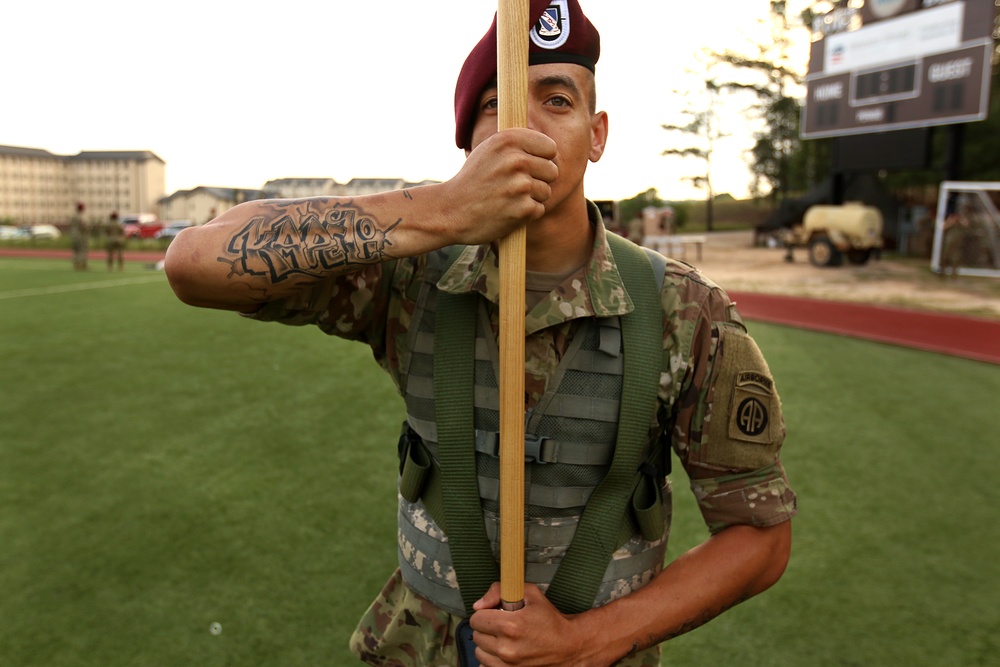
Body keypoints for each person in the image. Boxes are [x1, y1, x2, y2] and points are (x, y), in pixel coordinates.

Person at [164, 2, 796, 665]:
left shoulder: (684, 311)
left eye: (556, 99)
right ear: (468, 143)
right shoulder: (409, 277)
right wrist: (443, 207)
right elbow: (195, 263)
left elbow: (758, 535)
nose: (523, 127)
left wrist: (586, 641)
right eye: (496, 109)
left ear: (598, 132)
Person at [70, 202, 89, 271]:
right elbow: (83, 226)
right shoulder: (80, 217)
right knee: (82, 251)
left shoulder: (73, 217)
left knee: (75, 251)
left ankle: (76, 265)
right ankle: (83, 265)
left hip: (74, 236)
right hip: (81, 236)